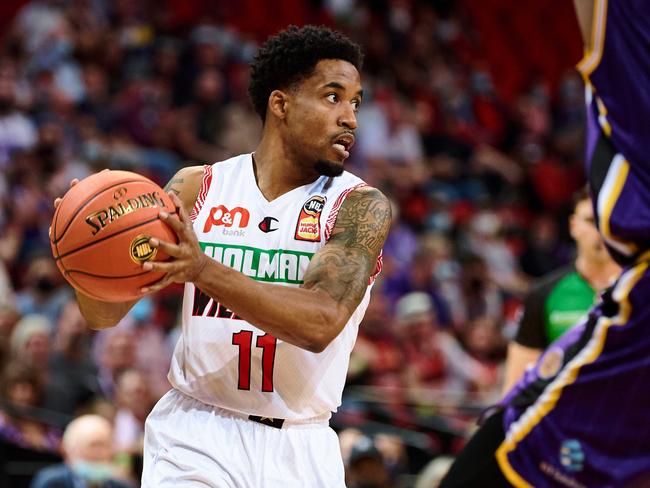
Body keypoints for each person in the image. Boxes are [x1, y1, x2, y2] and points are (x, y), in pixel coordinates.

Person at [60, 26, 390, 487]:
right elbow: (102, 314)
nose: (350, 117)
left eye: (356, 102)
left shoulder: (359, 206)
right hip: (196, 433)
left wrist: (203, 270)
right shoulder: (196, 188)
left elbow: (319, 324)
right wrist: (82, 254)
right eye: (333, 97)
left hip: (299, 445)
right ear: (281, 104)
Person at [440, 1, 650, 486]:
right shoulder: (549, 293)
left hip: (632, 324)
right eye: (580, 217)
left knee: (501, 455)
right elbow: (517, 378)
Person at [502, 188, 620, 393]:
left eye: (609, 220)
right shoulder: (544, 294)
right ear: (573, 226)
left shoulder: (640, 290)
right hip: (566, 418)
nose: (601, 232)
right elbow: (515, 386)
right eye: (592, 221)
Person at [30, 414, 132, 488]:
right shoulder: (51, 482)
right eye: (94, 445)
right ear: (71, 450)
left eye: (106, 446)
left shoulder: (121, 485)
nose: (100, 453)